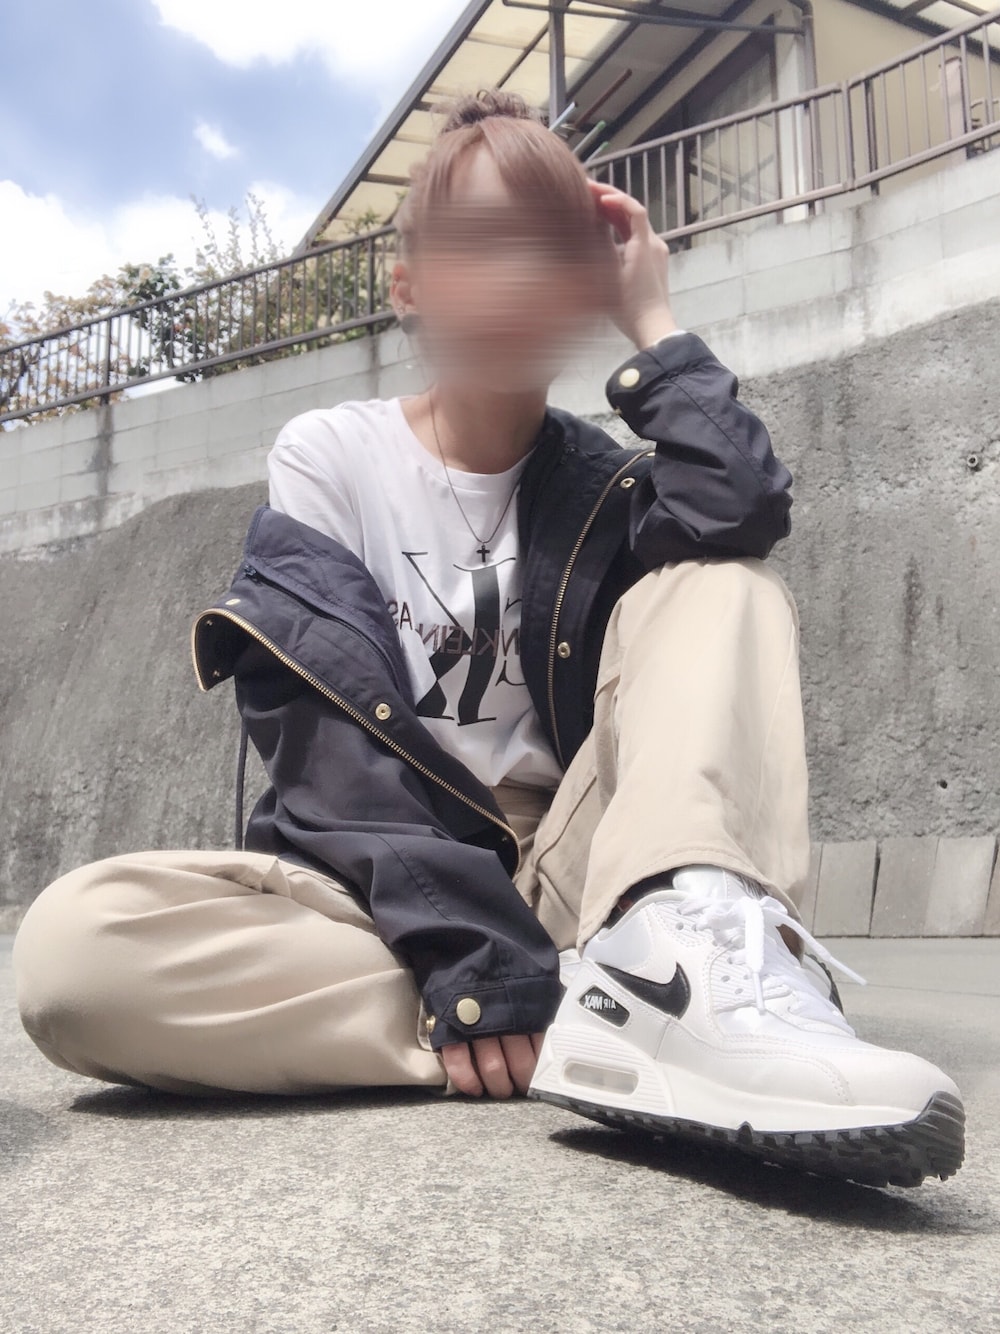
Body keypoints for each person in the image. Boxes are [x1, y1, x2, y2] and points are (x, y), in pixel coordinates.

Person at [12, 88, 963, 1189]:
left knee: (724, 585)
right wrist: (474, 955)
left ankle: (645, 969)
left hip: (580, 863)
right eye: (477, 244)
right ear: (409, 287)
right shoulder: (331, 457)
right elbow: (327, 750)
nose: (514, 276)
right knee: (77, 952)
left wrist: (653, 321)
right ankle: (602, 1018)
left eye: (548, 250)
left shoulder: (608, 486)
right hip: (384, 885)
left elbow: (739, 505)